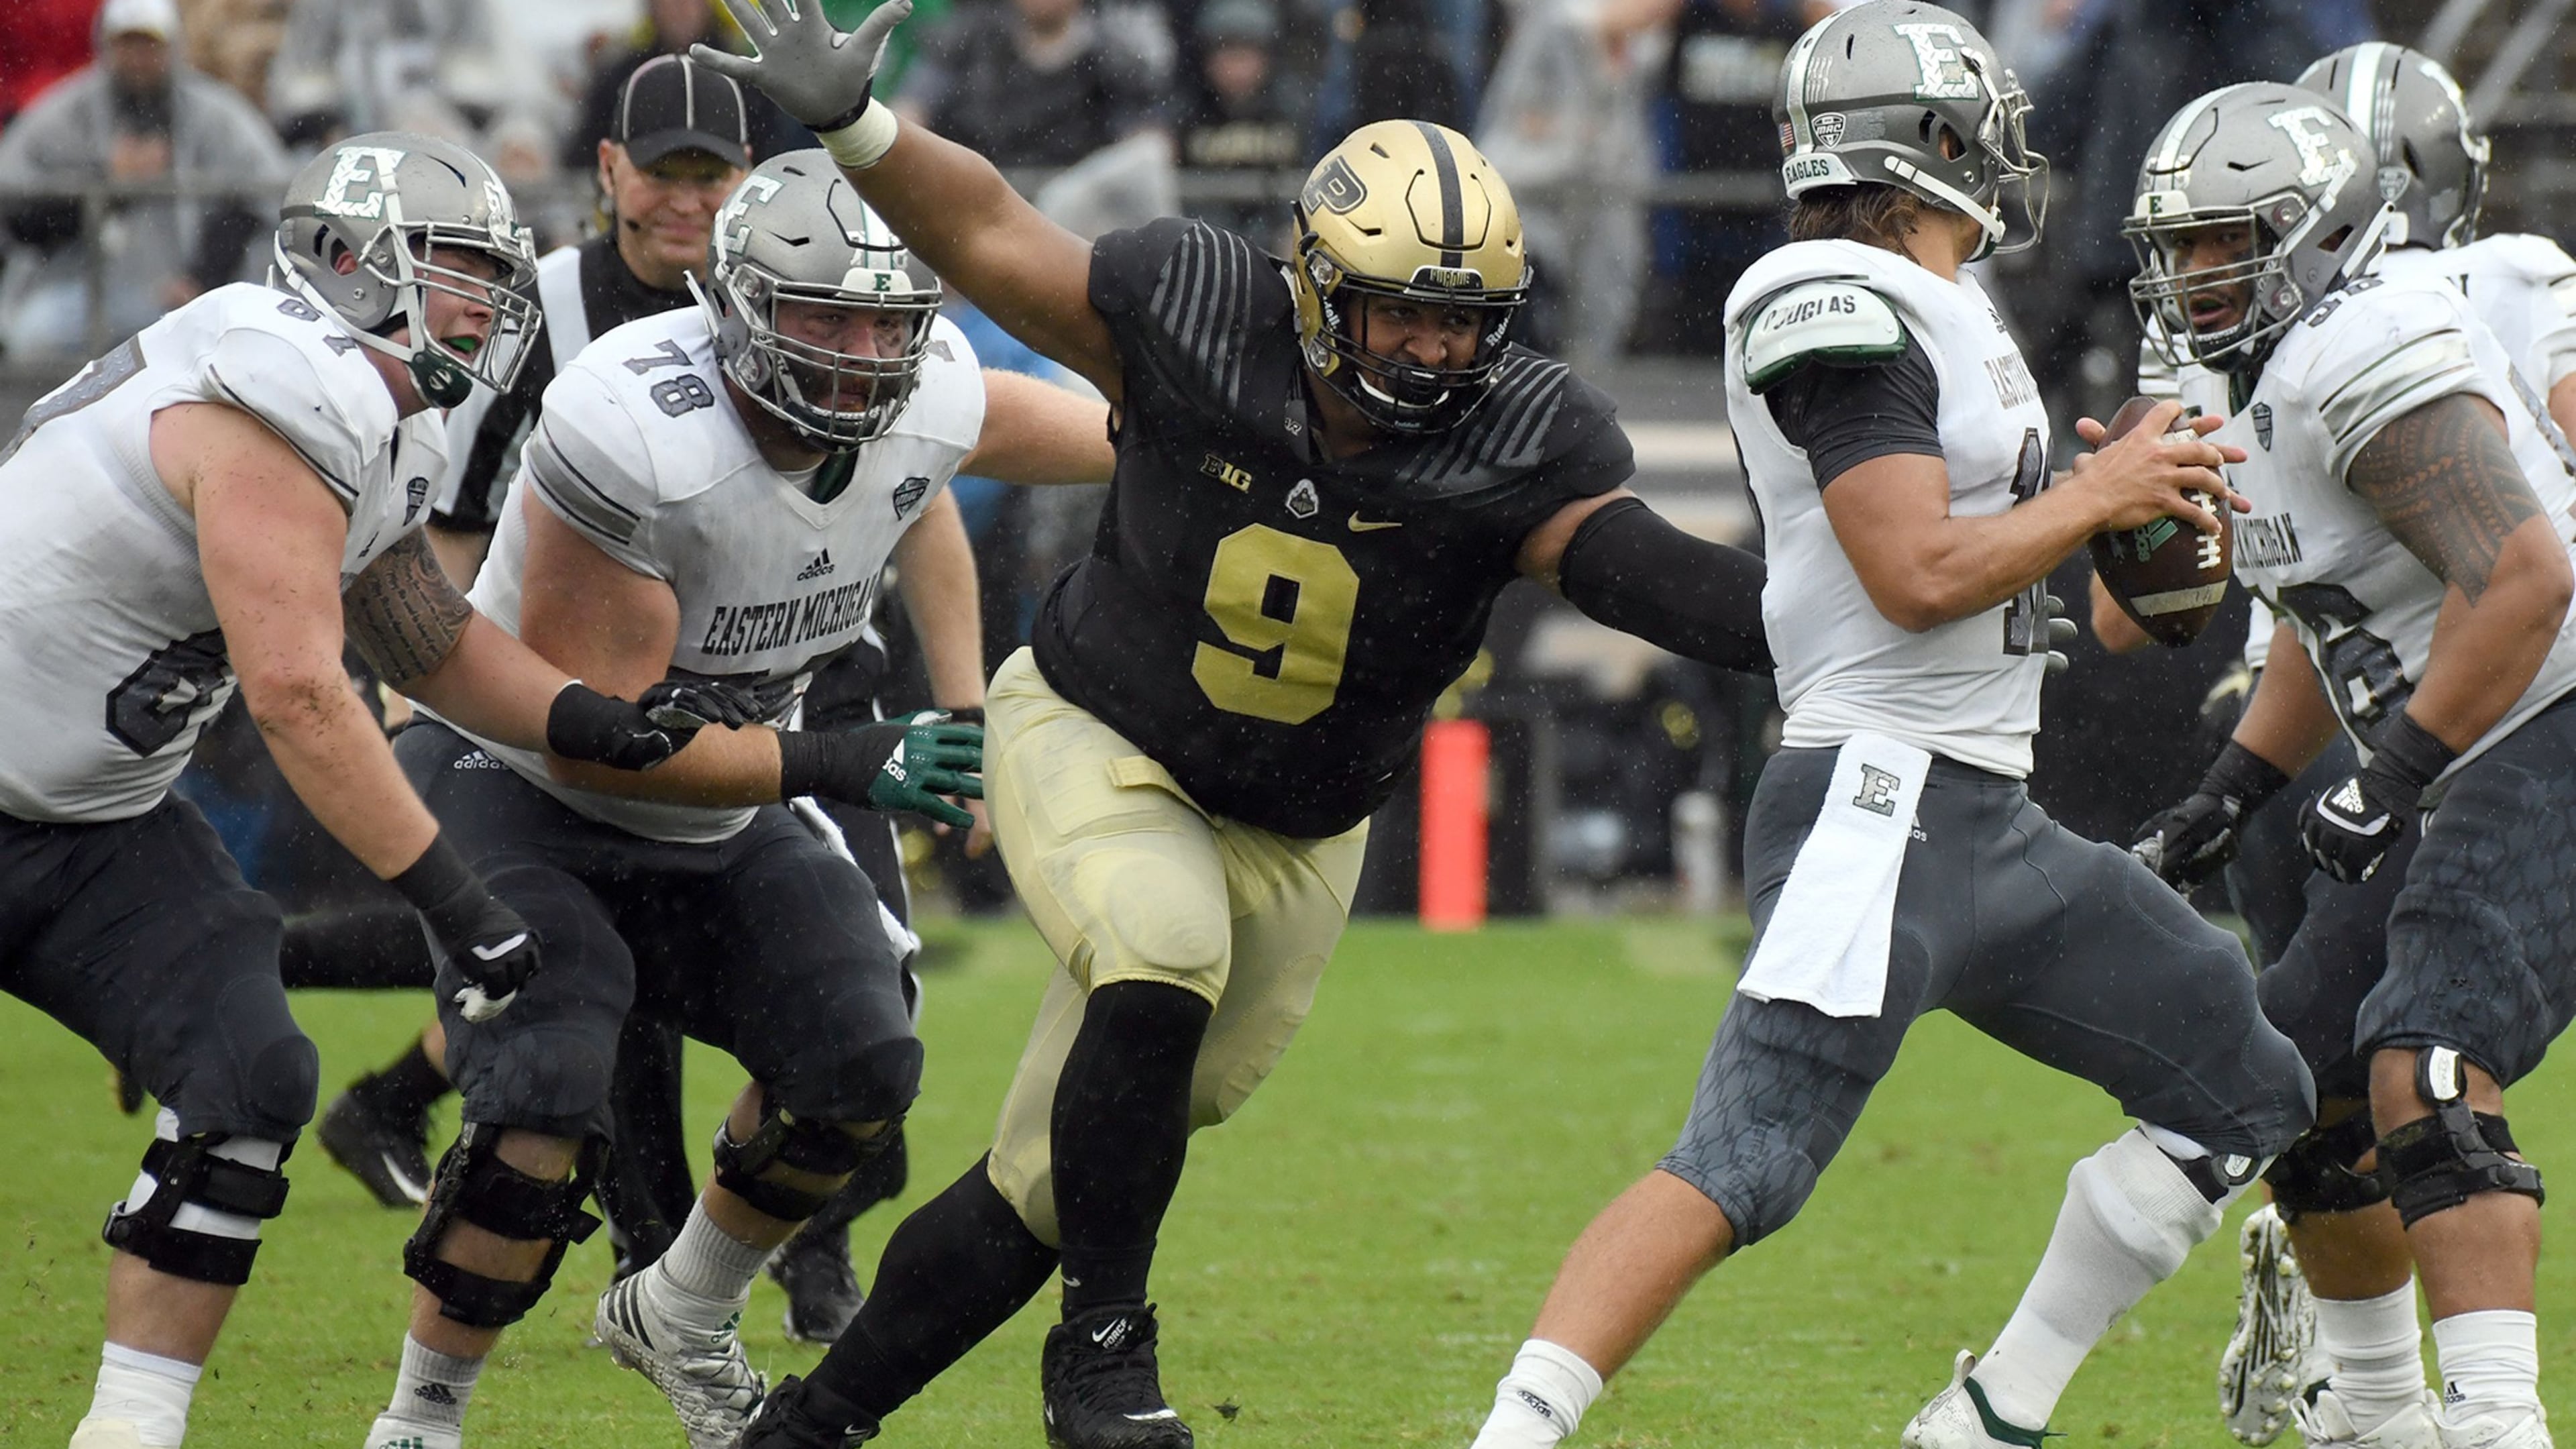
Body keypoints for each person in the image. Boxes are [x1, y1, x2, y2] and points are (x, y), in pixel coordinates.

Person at [693, 4, 1808, 1445]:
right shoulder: (1194, 311)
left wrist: (1856, 619)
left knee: (1058, 1171)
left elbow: (1647, 574)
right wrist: (863, 131)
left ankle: (812, 1427)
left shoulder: (1520, 437)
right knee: (1159, 958)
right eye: (1399, 308)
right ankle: (1103, 1356)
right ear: (1313, 287)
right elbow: (987, 233)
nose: (1425, 347)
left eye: (1461, 319)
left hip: (1299, 825)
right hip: (1100, 734)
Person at [1452, 7, 2324, 1446]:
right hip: (1879, 797)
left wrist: (2127, 517)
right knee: (1748, 1163)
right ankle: (1517, 1434)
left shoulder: (1952, 303)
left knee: (2241, 1082)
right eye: (1980, 122)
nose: (2008, 148)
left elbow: (2065, 591)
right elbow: (1914, 576)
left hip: (1988, 809)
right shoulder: (1826, 289)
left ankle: (1991, 1416)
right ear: (1928, 143)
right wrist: (2088, 504)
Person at [0, 130, 748, 1449]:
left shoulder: (382, 416)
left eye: (493, 270)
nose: (486, 299)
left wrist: (598, 725)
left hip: (94, 821)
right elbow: (298, 693)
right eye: (456, 264)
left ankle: (127, 1435)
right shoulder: (278, 386)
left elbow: (426, 641)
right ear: (347, 263)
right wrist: (463, 907)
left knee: (248, 1068)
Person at [353, 151, 1113, 1449]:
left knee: (862, 1067)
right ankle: (421, 1419)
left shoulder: (927, 389)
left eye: (883, 320)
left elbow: (1102, 434)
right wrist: (837, 758)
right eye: (823, 314)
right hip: (527, 784)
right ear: (741, 302)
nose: (862, 351)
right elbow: (603, 737)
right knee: (545, 1081)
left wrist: (1252, 431)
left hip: (726, 797)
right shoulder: (639, 425)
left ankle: (682, 1311)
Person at [308, 53, 965, 1346]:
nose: (688, 199)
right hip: (581, 694)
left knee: (862, 1043)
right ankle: (584, 1302)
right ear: (608, 171)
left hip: (794, 676)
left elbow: (937, 469)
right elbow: (440, 536)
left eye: (713, 174)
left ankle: (731, 1278)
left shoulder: (866, 335)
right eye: (665, 171)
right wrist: (425, 702)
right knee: (567, 1028)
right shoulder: (554, 338)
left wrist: (1161, 409)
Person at [2106, 44, 2576, 1446]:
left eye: (2222, 244)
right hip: (2407, 716)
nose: (2193, 276)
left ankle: (2494, 1421)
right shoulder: (2271, 359)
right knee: (2289, 1088)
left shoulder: (2436, 313)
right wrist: (2230, 789)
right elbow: (2273, 615)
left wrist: (2407, 765)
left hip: (2520, 704)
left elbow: (2524, 567)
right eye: (2181, 249)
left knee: (2425, 1067)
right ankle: (2377, 1415)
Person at [0, 0, 291, 357]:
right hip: (84, 294)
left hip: (183, 297)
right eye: (127, 44)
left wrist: (202, 279)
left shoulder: (216, 116)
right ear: (105, 45)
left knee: (246, 334)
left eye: (149, 44)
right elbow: (18, 212)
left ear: (173, 46)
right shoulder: (64, 115)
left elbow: (258, 196)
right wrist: (107, 182)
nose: (138, 58)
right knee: (34, 334)